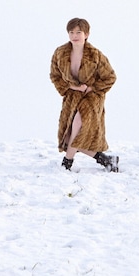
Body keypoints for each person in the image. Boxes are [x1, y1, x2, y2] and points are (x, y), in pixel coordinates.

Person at [50, 18, 119, 172]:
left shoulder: (95, 55)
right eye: (71, 32)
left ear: (86, 34)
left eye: (78, 32)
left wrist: (91, 88)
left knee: (77, 126)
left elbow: (110, 77)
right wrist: (69, 87)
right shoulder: (60, 53)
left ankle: (67, 162)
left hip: (92, 98)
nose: (75, 35)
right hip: (72, 97)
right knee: (71, 136)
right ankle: (105, 160)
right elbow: (55, 76)